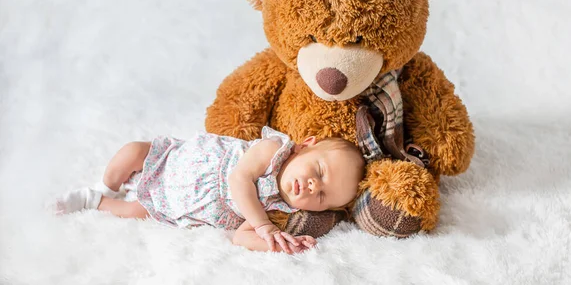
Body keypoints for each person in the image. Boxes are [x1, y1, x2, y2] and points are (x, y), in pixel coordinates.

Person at [53, 126, 365, 254]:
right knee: (132, 152)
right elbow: (239, 180)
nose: (313, 187)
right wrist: (263, 224)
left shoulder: (278, 210)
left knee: (137, 212)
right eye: (320, 171)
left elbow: (241, 236)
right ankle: (105, 185)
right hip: (168, 161)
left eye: (322, 196)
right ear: (306, 146)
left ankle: (94, 201)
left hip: (174, 204)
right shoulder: (274, 151)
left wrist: (276, 242)